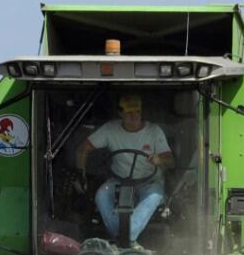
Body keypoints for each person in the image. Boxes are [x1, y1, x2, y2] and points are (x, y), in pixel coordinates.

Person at [74, 92, 174, 246]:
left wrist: (159, 159)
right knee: (101, 195)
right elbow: (83, 149)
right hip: (119, 179)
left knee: (154, 196)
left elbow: (171, 161)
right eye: (129, 112)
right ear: (120, 113)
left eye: (137, 112)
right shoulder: (110, 129)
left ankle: (122, 240)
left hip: (150, 180)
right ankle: (126, 241)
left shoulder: (154, 131)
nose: (134, 116)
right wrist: (81, 175)